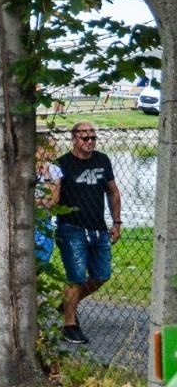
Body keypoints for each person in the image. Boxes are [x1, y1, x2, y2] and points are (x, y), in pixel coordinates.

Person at [56, 122, 121, 344]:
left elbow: (113, 192)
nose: (90, 142)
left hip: (99, 229)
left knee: (101, 275)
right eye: (85, 138)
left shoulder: (102, 160)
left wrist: (117, 222)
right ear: (73, 139)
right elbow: (52, 196)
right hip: (71, 228)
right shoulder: (62, 164)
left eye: (93, 137)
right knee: (75, 277)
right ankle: (69, 325)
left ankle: (67, 304)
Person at [34, 133, 62, 265]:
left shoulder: (54, 170)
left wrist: (46, 175)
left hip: (43, 222)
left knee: (40, 265)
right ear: (40, 149)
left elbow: (50, 202)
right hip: (24, 222)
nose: (56, 151)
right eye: (52, 147)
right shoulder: (22, 169)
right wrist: (40, 200)